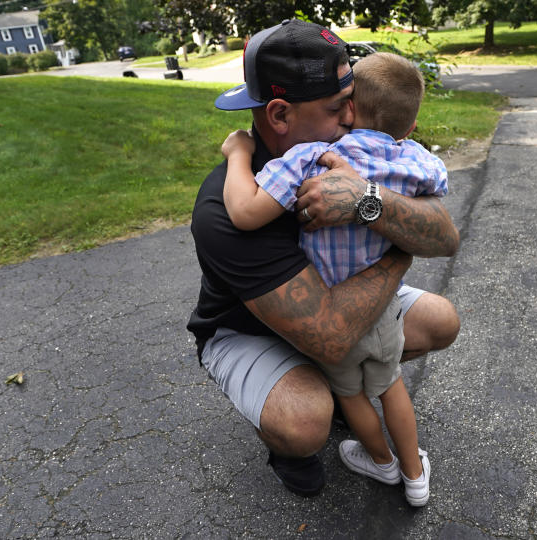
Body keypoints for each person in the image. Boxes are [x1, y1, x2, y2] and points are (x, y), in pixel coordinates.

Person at [187, 19, 460, 498]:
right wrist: (401, 246)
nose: (353, 120)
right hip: (250, 331)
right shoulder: (224, 210)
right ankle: (289, 439)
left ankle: (343, 398)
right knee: (304, 420)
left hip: (335, 297)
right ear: (278, 115)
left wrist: (367, 200)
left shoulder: (348, 154)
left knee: (441, 321)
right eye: (338, 109)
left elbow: (445, 236)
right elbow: (330, 337)